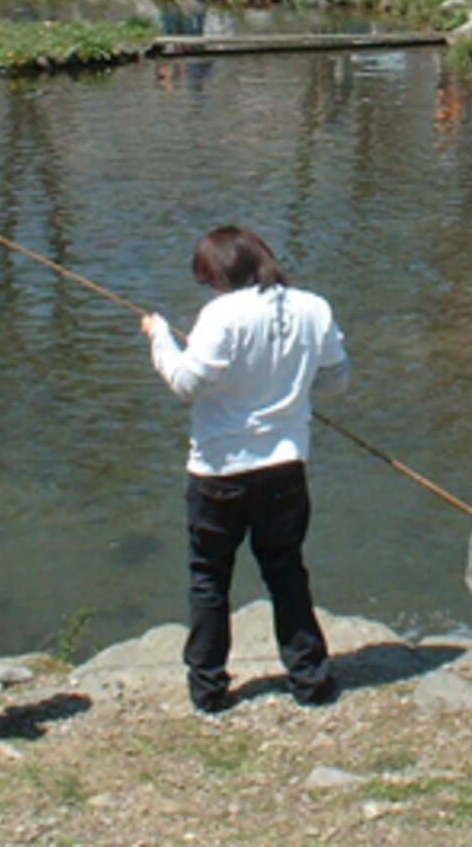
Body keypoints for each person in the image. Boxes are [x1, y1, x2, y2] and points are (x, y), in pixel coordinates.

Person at [143, 226, 350, 713]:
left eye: (207, 279)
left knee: (210, 578)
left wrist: (159, 338)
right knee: (286, 572)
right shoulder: (313, 307)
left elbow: (186, 384)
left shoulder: (220, 314)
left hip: (219, 472)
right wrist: (294, 386)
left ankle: (209, 690)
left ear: (221, 273)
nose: (208, 289)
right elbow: (337, 381)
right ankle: (310, 681)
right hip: (285, 468)